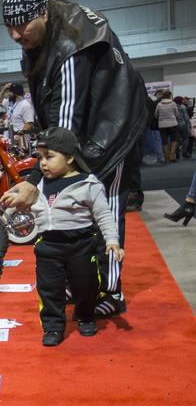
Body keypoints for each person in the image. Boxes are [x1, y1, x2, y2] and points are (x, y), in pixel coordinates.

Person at [0, 0, 148, 318]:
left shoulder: (69, 47)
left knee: (105, 206)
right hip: (87, 126)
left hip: (113, 129)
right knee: (71, 206)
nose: (16, 34)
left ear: (43, 13)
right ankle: (83, 284)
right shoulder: (41, 35)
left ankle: (111, 291)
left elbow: (64, 128)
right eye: (9, 27)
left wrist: (34, 180)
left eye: (22, 26)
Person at [30, 127, 124, 346]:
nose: (43, 163)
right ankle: (53, 326)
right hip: (48, 246)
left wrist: (112, 240)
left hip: (81, 245)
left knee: (86, 284)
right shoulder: (38, 184)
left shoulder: (88, 184)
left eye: (49, 157)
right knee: (49, 289)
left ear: (70, 157)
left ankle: (85, 316)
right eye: (40, 158)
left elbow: (104, 214)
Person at [0, 82, 36, 151]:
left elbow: (29, 124)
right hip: (8, 138)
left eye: (10, 92)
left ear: (16, 93)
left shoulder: (25, 105)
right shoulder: (10, 103)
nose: (8, 94)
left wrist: (20, 135)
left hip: (20, 140)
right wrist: (4, 89)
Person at [155, 90, 180, 163]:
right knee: (174, 140)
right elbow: (177, 114)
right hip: (172, 124)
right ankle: (172, 155)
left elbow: (156, 115)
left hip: (162, 125)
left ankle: (166, 157)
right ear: (170, 96)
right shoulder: (173, 103)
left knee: (164, 141)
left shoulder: (159, 104)